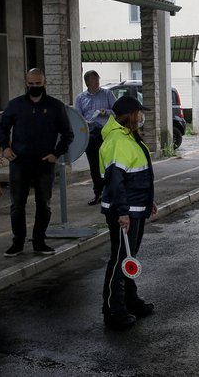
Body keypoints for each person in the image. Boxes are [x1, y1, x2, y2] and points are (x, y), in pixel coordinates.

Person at [0, 68, 74, 257]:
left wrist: (56, 154)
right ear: (26, 83)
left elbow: (68, 134)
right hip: (19, 162)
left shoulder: (55, 106)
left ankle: (39, 242)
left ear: (45, 83)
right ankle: (17, 243)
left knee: (44, 204)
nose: (34, 87)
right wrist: (5, 147)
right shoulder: (15, 105)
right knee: (17, 205)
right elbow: (2, 128)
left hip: (44, 163)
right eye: (30, 84)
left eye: (38, 84)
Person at [100, 96, 157, 329]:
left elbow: (138, 173)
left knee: (128, 257)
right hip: (125, 210)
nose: (141, 116)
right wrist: (123, 212)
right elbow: (116, 181)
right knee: (120, 259)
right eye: (138, 112)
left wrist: (148, 201)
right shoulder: (117, 140)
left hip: (136, 207)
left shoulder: (128, 137)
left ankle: (130, 300)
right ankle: (114, 309)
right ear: (129, 115)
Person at [75, 70, 116, 205]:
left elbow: (117, 112)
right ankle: (97, 193)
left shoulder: (107, 94)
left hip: (105, 134)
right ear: (87, 82)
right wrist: (84, 122)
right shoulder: (80, 98)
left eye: (98, 79)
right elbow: (77, 118)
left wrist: (107, 112)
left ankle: (110, 193)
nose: (97, 81)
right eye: (93, 79)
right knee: (94, 166)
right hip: (90, 134)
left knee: (108, 164)